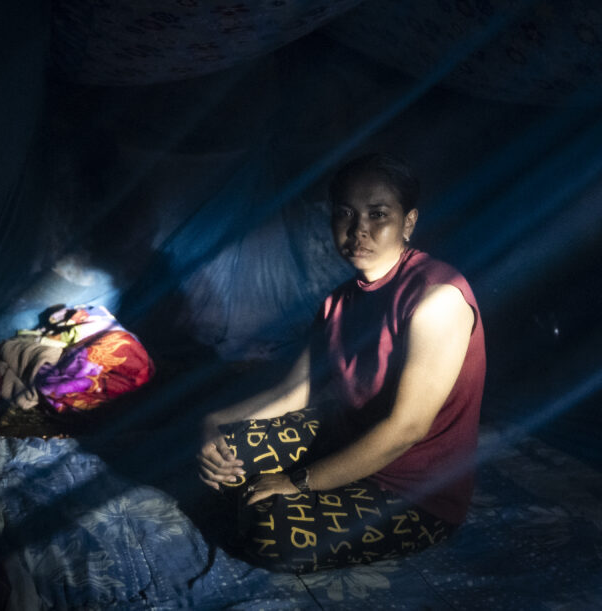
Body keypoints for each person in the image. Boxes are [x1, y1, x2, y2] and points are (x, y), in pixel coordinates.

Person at [196, 153, 486, 574]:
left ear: (408, 223)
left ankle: (273, 501)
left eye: (378, 214)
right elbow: (295, 392)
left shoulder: (435, 298)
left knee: (273, 535)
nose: (359, 230)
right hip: (345, 443)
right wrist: (213, 423)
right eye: (345, 214)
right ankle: (261, 494)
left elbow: (406, 430)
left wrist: (296, 481)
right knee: (226, 455)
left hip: (414, 492)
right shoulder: (340, 300)